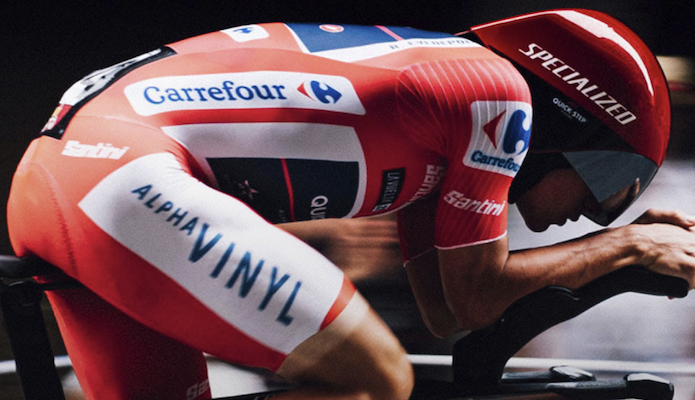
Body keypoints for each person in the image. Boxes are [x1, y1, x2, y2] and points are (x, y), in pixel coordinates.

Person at [6, 9, 695, 400]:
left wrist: (616, 252)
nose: (595, 209)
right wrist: (627, 243)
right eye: (609, 176)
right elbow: (478, 290)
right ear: (569, 120)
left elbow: (451, 310)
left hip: (66, 183)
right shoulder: (496, 93)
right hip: (118, 178)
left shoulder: (443, 122)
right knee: (373, 379)